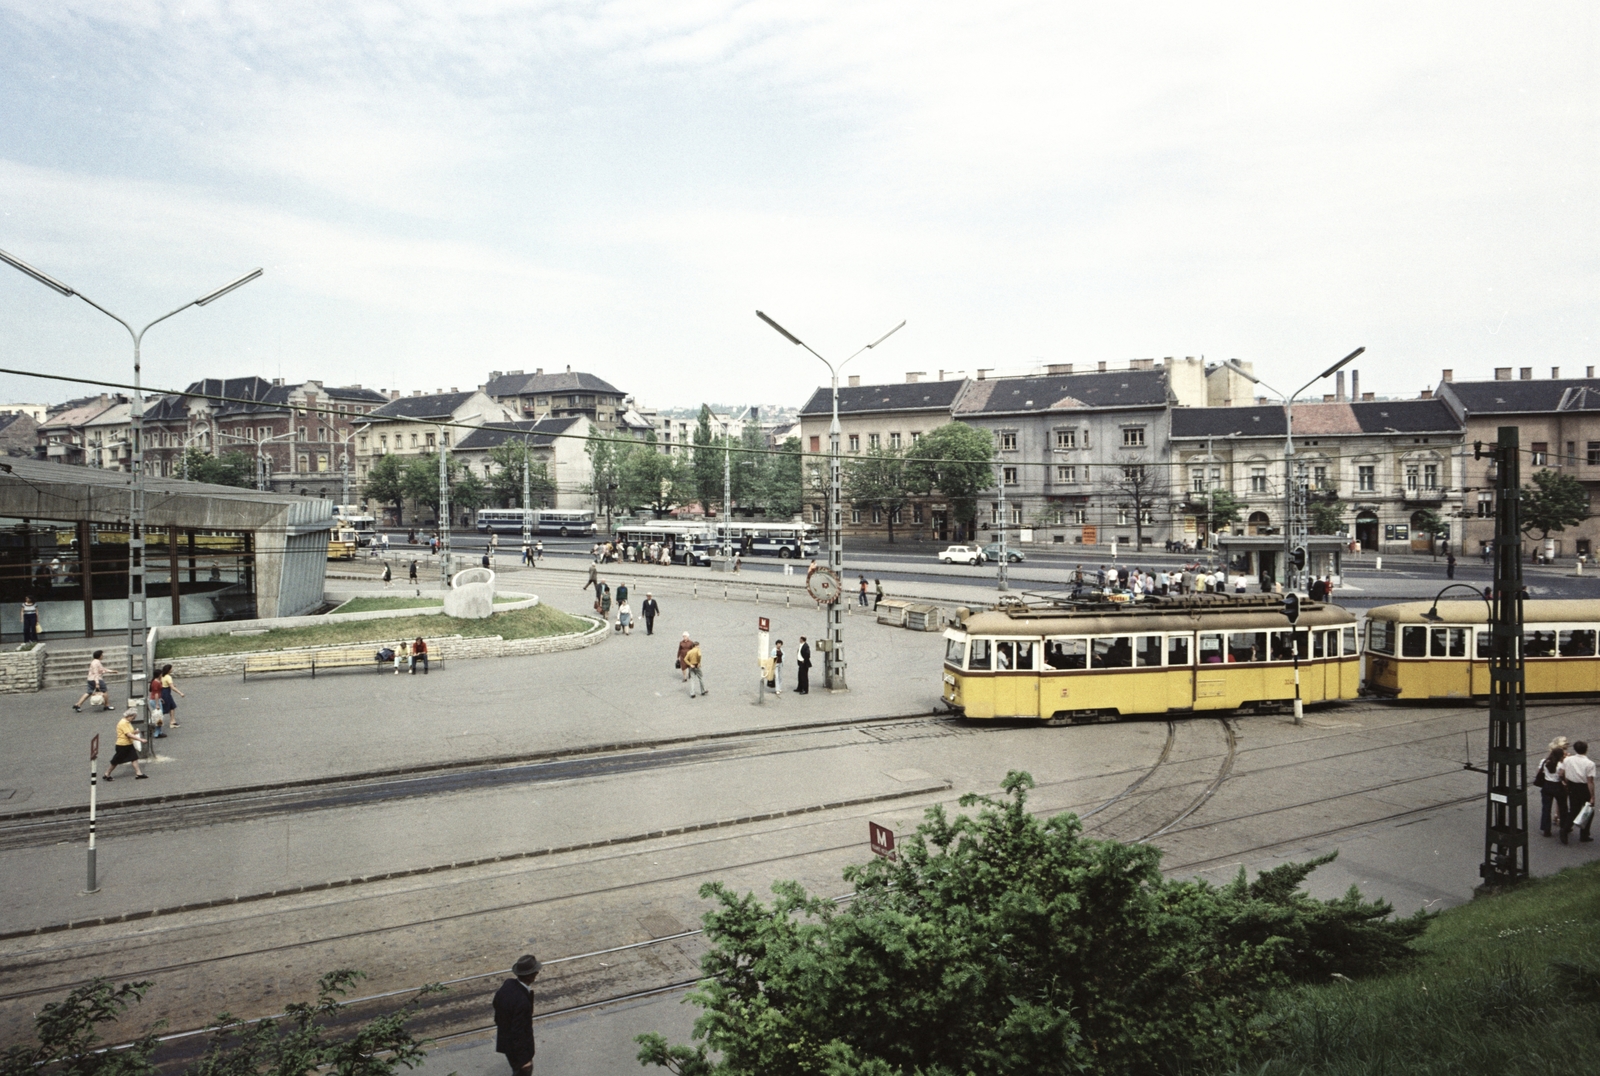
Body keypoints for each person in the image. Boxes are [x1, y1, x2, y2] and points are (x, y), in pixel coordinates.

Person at [493, 953, 541, 1074]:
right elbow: (518, 1033)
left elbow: (496, 1004)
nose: (537, 974)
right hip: (518, 1051)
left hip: (506, 1043)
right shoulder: (522, 1002)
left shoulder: (508, 984)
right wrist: (524, 1059)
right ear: (530, 976)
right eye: (536, 972)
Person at [1558, 739, 1596, 843]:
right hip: (1584, 788)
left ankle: (1564, 830)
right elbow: (1590, 781)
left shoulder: (1568, 760)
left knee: (1574, 810)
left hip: (1572, 787)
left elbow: (1561, 773)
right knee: (1588, 811)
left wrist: (1566, 783)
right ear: (1586, 750)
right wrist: (1592, 796)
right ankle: (1584, 834)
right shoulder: (1590, 764)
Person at [103, 708, 148, 781]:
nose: (133, 719)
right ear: (129, 716)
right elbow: (128, 734)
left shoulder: (127, 722)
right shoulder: (123, 723)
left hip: (128, 744)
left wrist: (134, 732)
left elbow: (130, 732)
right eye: (133, 717)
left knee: (134, 758)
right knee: (116, 761)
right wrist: (140, 739)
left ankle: (138, 773)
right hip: (122, 745)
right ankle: (107, 773)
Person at [1537, 737, 1568, 837]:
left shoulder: (1544, 761)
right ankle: (1564, 827)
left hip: (1547, 786)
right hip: (1558, 787)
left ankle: (1546, 829)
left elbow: (1539, 772)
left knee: (1546, 808)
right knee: (1563, 807)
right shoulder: (1561, 765)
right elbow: (1562, 776)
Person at [157, 663, 185, 729]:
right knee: (165, 708)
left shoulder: (162, 676)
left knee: (172, 706)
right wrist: (180, 693)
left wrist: (171, 685)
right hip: (166, 693)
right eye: (171, 668)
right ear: (169, 670)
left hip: (163, 691)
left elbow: (165, 684)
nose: (172, 669)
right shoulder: (168, 677)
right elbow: (172, 687)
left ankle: (172, 721)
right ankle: (156, 721)